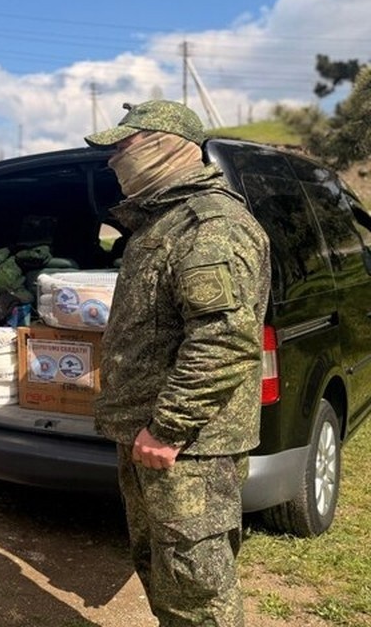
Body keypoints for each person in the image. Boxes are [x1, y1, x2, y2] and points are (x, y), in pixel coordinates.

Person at [85, 101, 270, 626]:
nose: (113, 162)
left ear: (164, 145)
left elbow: (224, 339)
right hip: (153, 435)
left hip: (189, 446)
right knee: (161, 569)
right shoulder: (160, 223)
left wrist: (168, 429)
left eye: (121, 148)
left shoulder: (208, 226)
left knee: (196, 584)